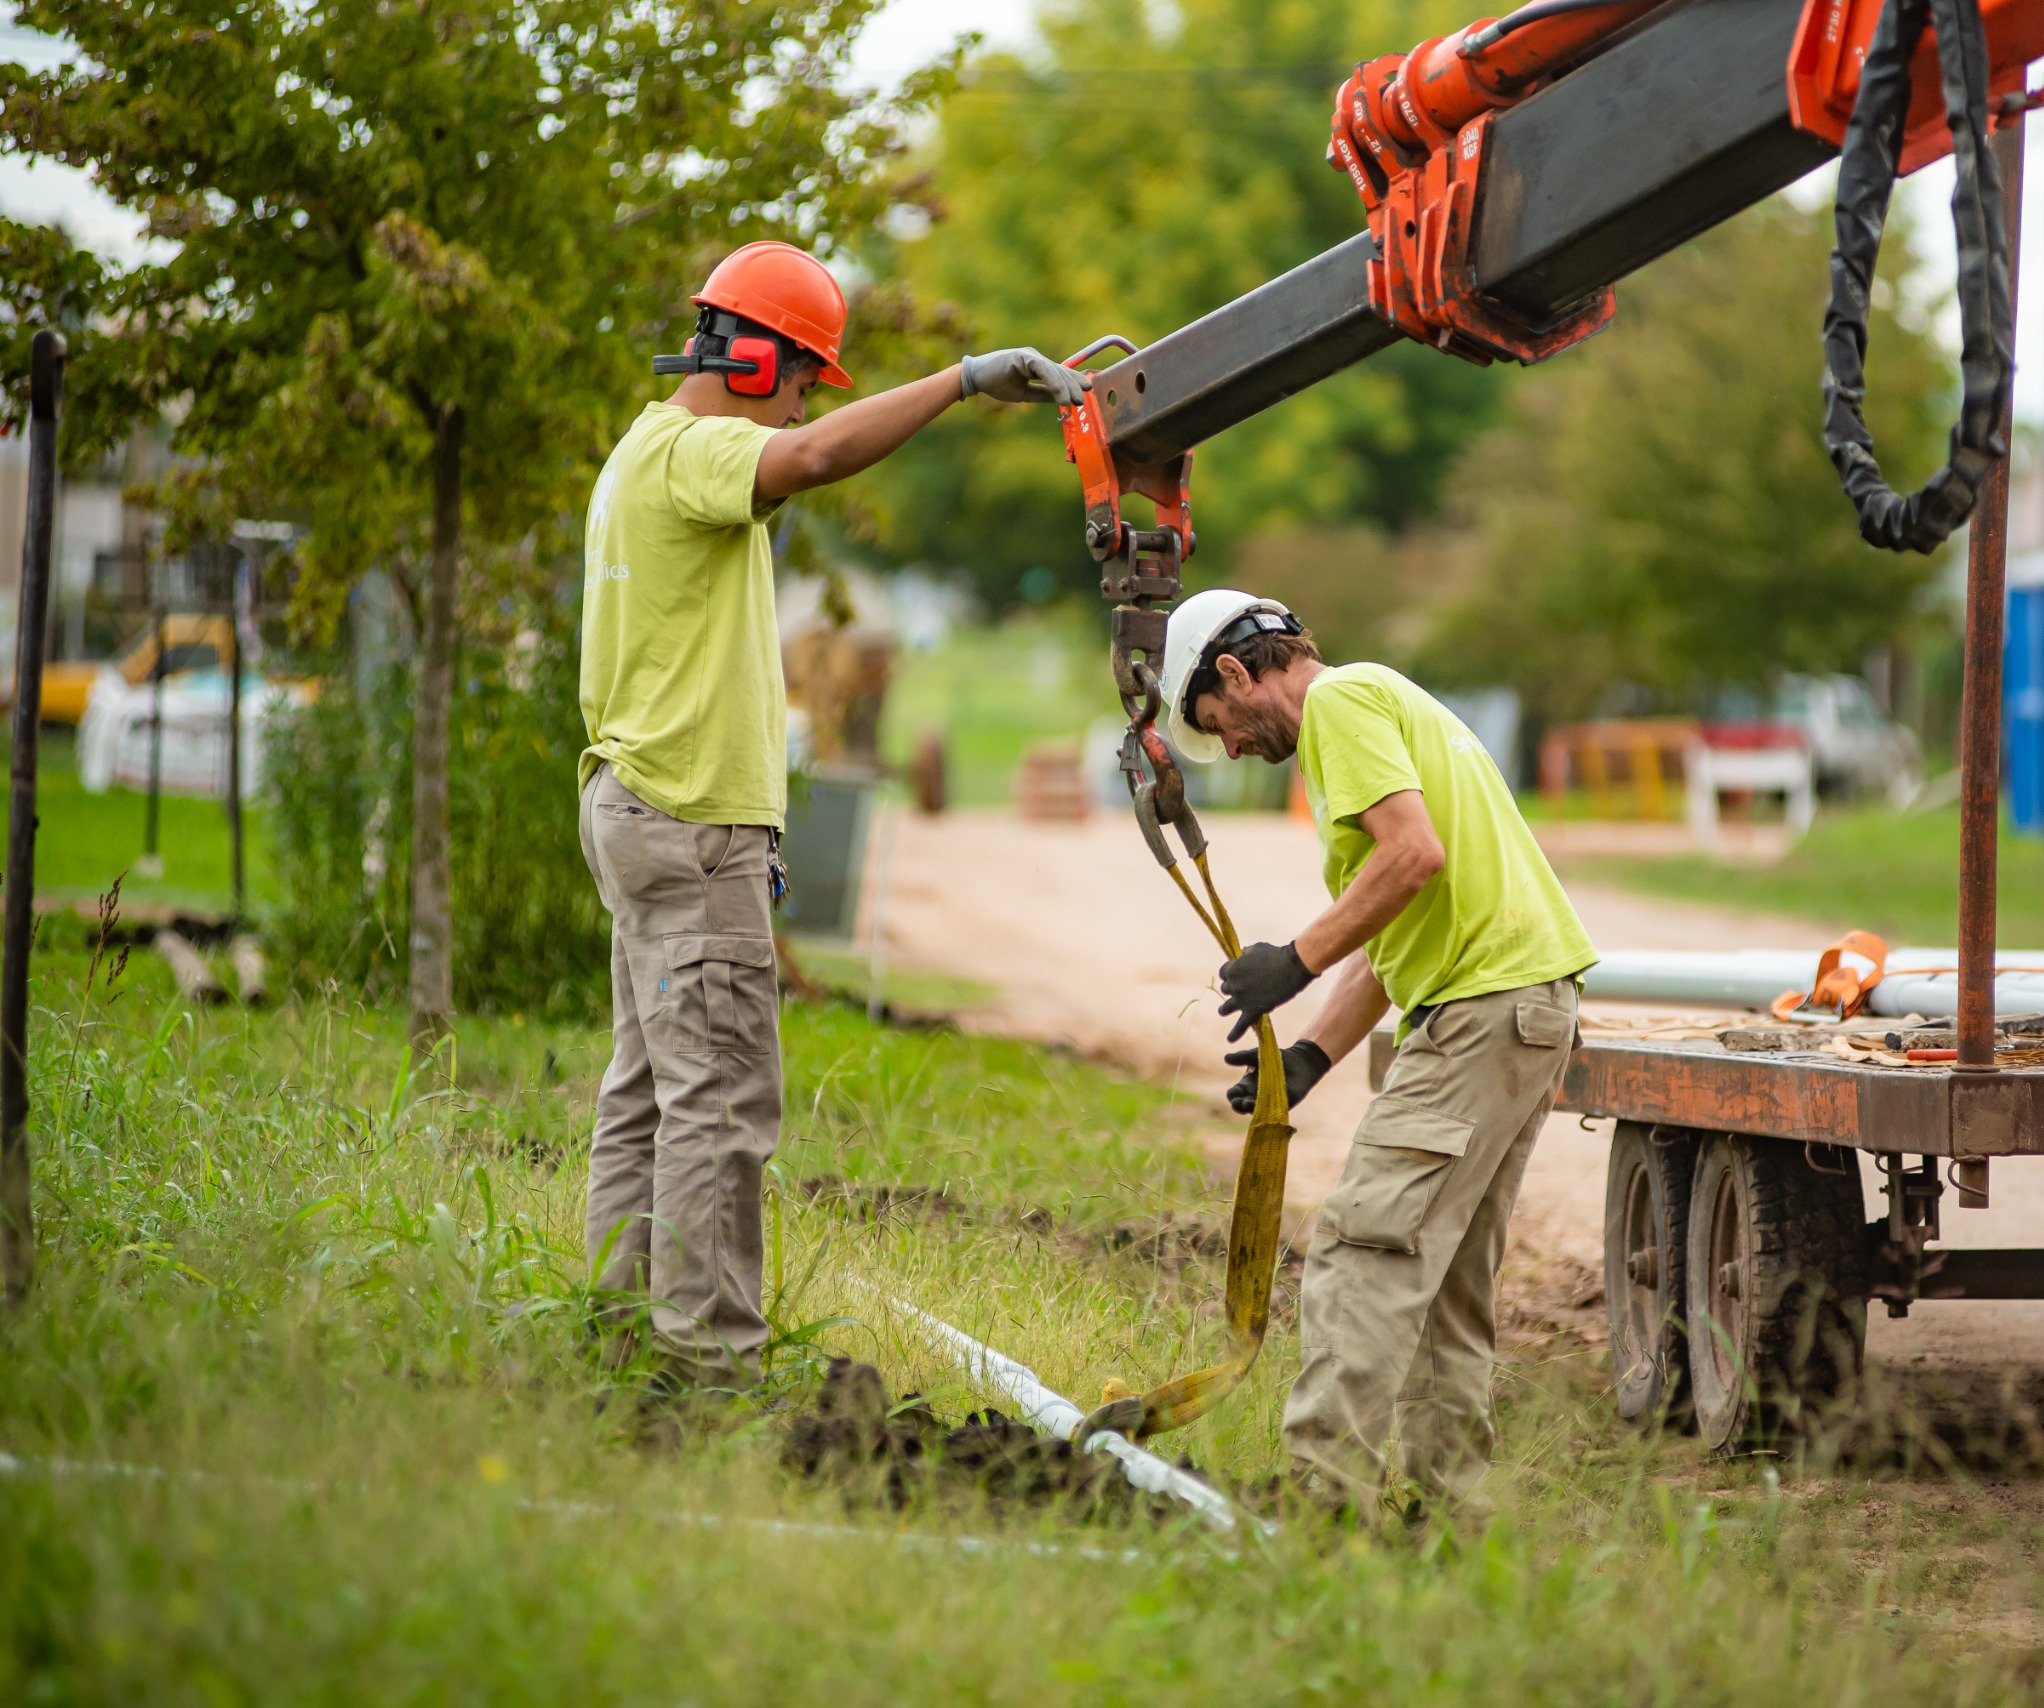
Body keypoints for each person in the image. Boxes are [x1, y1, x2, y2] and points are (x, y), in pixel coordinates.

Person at [578, 239, 1086, 1393]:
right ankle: (707, 1368)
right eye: (804, 376)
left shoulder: (636, 457)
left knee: (649, 1095)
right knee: (717, 1101)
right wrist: (962, 381)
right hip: (690, 820)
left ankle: (615, 1338)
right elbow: (809, 457)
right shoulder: (697, 451)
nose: (804, 404)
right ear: (754, 362)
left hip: (638, 808)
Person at [1159, 588, 1597, 1519]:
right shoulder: (1381, 700)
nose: (1229, 749)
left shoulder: (1338, 704)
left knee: (1363, 1253)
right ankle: (1450, 1518)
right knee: (1444, 1286)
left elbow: (1412, 857)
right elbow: (1396, 919)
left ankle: (1325, 1508)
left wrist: (1293, 960)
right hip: (1521, 1009)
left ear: (1236, 672)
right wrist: (1311, 1055)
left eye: (1218, 723)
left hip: (1481, 1011)